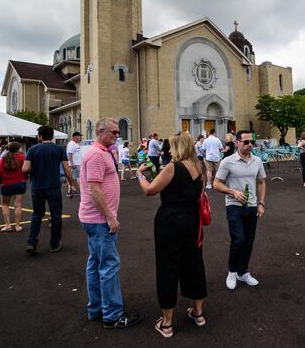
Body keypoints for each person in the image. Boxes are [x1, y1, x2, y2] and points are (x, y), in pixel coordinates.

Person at [136, 132, 207, 338]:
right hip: (192, 220)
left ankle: (167, 323)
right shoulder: (198, 167)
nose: (167, 150)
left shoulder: (172, 167)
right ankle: (198, 312)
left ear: (177, 147)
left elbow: (150, 190)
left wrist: (141, 175)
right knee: (193, 262)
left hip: (170, 220)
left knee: (168, 266)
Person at [78, 118, 141, 329]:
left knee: (95, 263)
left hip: (94, 220)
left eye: (117, 132)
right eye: (113, 132)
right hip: (99, 221)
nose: (117, 135)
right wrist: (110, 216)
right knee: (108, 266)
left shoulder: (102, 152)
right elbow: (94, 189)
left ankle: (96, 309)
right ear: (101, 131)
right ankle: (112, 315)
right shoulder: (96, 154)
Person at [214, 130, 266, 289]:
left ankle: (243, 272)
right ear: (237, 142)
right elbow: (216, 183)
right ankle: (232, 271)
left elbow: (262, 182)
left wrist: (261, 203)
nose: (250, 145)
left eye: (252, 142)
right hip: (234, 206)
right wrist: (233, 192)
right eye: (246, 142)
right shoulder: (228, 161)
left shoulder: (257, 161)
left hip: (252, 206)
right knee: (239, 240)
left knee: (249, 241)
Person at [23, 126, 74, 254]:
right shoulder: (59, 149)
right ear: (52, 136)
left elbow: (24, 169)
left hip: (37, 186)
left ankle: (32, 242)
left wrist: (32, 171)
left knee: (37, 214)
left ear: (40, 136)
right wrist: (71, 184)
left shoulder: (32, 149)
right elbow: (66, 168)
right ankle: (54, 244)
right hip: (53, 186)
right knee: (56, 215)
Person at [0, 142, 27, 232]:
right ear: (18, 149)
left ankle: (8, 225)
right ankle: (17, 226)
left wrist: (2, 181)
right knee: (18, 205)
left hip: (7, 183)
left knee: (5, 205)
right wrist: (24, 178)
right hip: (20, 182)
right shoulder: (23, 157)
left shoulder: (4, 157)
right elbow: (26, 169)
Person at [66, 132, 82, 198]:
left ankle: (71, 191)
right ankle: (82, 192)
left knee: (72, 178)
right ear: (75, 137)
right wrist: (72, 163)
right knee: (78, 178)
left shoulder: (75, 144)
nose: (80, 137)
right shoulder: (72, 144)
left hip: (76, 163)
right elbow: (70, 154)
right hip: (75, 164)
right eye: (79, 136)